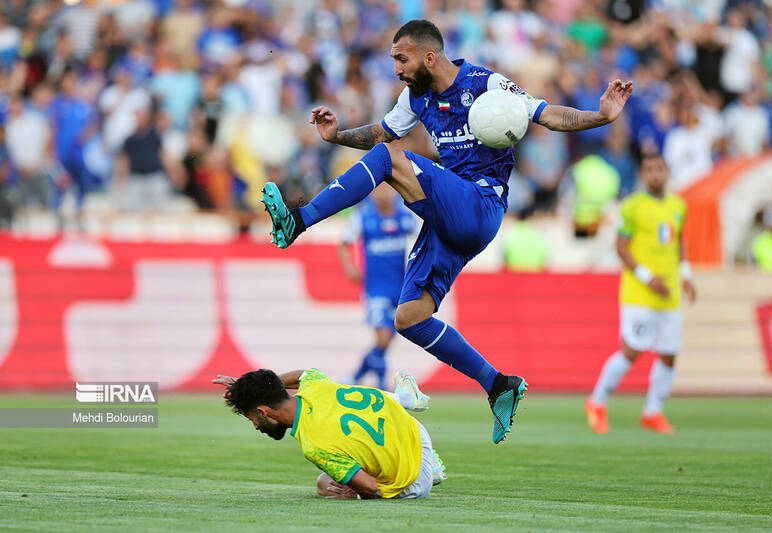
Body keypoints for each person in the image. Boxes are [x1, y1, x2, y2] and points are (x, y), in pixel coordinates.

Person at [260, 19, 633, 443]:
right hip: (449, 216)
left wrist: (601, 116)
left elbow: (549, 115)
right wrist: (336, 136)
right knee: (409, 318)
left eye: (402, 59)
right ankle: (498, 385)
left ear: (428, 56)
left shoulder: (487, 83)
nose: (397, 69)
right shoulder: (415, 97)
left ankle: (299, 221)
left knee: (388, 159)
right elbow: (381, 131)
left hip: (479, 203)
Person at [585, 154, 697, 435]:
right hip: (639, 293)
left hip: (668, 293)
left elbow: (678, 240)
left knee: (670, 354)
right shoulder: (633, 205)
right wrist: (647, 278)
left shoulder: (678, 205)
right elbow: (621, 247)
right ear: (643, 175)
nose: (655, 174)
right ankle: (597, 402)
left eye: (659, 169)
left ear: (667, 172)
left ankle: (653, 412)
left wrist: (685, 275)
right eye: (649, 170)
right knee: (633, 350)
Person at [212, 368, 445, 500]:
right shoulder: (314, 383)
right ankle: (404, 398)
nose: (255, 426)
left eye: (252, 418)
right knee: (356, 396)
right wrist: (250, 387)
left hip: (415, 482)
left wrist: (353, 494)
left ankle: (426, 472)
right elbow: (302, 374)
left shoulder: (314, 446)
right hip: (412, 428)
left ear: (263, 412)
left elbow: (370, 486)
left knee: (325, 483)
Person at [338, 183, 418, 390]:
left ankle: (355, 377)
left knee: (387, 339)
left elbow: (423, 237)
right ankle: (382, 386)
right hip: (375, 288)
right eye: (378, 189)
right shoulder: (363, 217)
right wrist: (350, 268)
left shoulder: (404, 216)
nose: (383, 194)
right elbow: (344, 243)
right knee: (382, 338)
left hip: (400, 288)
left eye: (387, 189)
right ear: (372, 193)